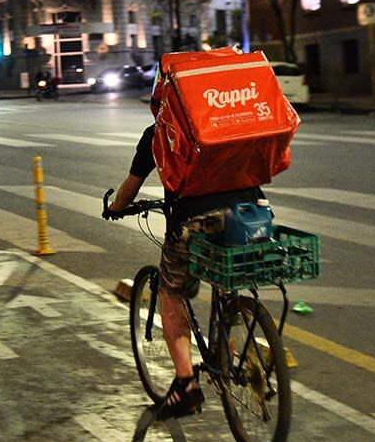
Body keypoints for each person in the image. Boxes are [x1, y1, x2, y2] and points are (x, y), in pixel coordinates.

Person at [105, 119, 262, 419]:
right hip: (251, 215)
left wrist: (115, 208)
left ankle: (186, 385)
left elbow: (130, 189)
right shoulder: (231, 119)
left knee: (171, 292)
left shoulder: (160, 132)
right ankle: (228, 339)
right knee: (227, 272)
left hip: (194, 220)